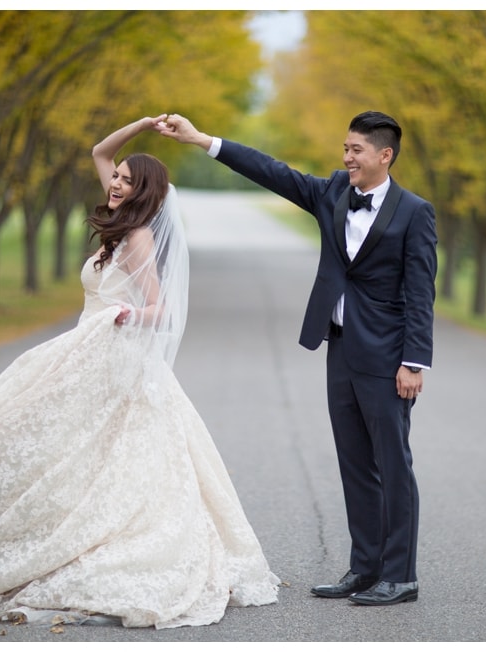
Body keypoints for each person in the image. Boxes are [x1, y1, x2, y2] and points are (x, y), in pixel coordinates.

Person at [0, 116, 280, 629]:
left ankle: (76, 545)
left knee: (92, 457)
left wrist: (127, 314)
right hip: (77, 352)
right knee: (24, 435)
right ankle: (12, 536)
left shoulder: (138, 238)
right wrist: (141, 125)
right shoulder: (118, 221)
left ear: (145, 194)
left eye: (126, 181)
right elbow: (99, 151)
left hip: (112, 357)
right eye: (116, 178)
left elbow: (162, 310)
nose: (115, 184)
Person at [157, 111, 437, 606]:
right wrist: (203, 140)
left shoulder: (415, 212)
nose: (346, 157)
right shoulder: (331, 192)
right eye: (345, 148)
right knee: (354, 464)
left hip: (389, 357)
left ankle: (401, 576)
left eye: (356, 150)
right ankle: (365, 568)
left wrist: (414, 361)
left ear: (385, 155)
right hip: (341, 347)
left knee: (392, 464)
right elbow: (270, 170)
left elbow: (420, 292)